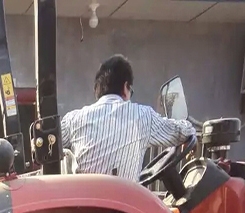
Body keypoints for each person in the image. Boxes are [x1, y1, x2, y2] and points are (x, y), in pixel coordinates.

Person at [60, 54, 196, 182]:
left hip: (85, 205)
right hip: (123, 205)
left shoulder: (73, 120)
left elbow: (47, 145)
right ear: (126, 87)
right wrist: (188, 128)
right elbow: (182, 131)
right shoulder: (142, 116)